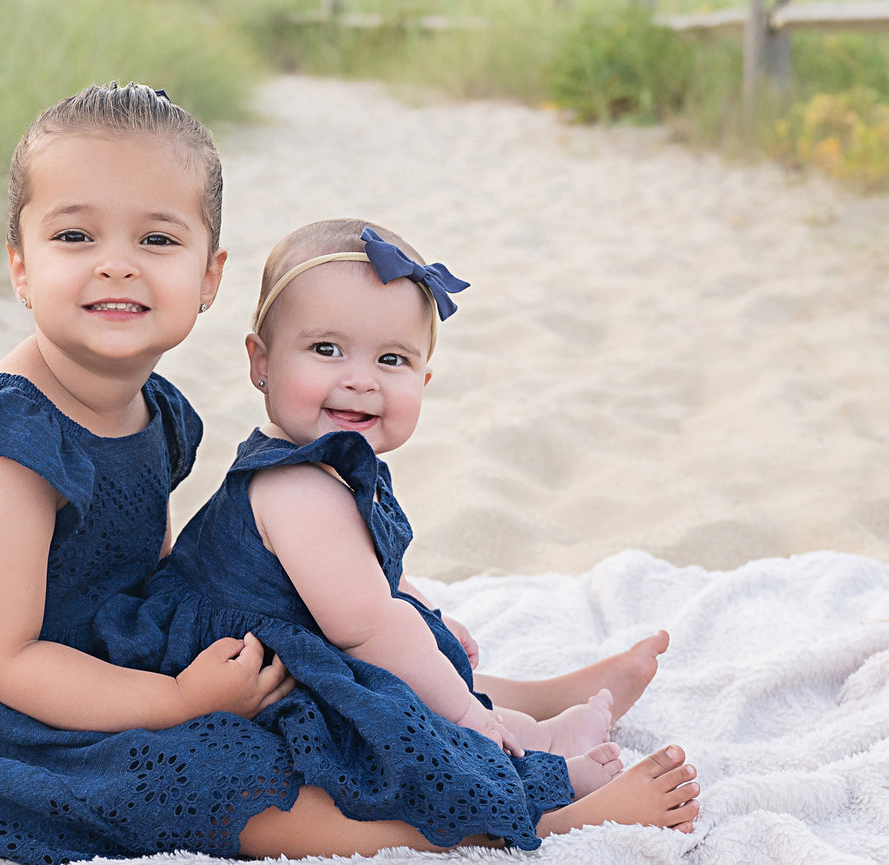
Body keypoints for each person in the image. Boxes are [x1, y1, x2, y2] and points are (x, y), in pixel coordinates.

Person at [98, 217, 701, 852]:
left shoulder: (323, 465)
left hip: (297, 643)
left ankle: (549, 728)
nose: (362, 379)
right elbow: (366, 627)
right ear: (262, 362)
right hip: (251, 675)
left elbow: (366, 575)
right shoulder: (296, 489)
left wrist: (423, 608)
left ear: (424, 381)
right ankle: (545, 798)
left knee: (419, 663)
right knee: (402, 724)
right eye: (327, 349)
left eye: (392, 359)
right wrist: (468, 716)